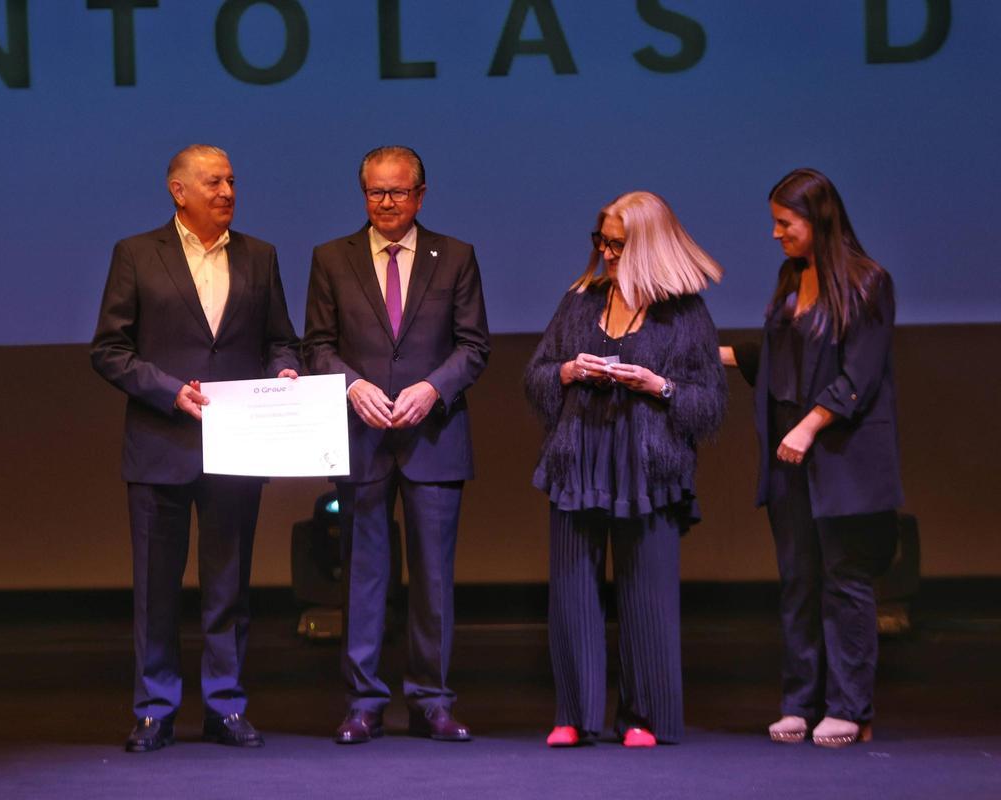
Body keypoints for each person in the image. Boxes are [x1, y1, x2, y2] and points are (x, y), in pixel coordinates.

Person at [91, 144, 301, 752]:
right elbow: (109, 349)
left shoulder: (260, 256)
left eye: (232, 180)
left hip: (238, 447)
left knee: (229, 585)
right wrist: (167, 391)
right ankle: (155, 709)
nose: (227, 192)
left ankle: (225, 705)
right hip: (161, 443)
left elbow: (281, 340)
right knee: (156, 589)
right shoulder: (136, 254)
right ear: (178, 192)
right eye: (213, 182)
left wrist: (284, 373)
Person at [303, 146, 490, 744]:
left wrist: (433, 389)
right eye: (375, 193)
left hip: (433, 437)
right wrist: (351, 386)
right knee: (364, 575)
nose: (386, 203)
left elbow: (473, 346)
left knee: (434, 578)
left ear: (421, 194)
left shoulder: (455, 256)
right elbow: (317, 346)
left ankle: (432, 700)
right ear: (363, 194)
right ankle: (364, 701)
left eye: (398, 192)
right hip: (359, 437)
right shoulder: (331, 258)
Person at [524, 191, 725, 748]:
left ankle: (644, 716)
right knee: (571, 591)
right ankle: (575, 714)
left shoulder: (682, 313)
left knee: (648, 596)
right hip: (578, 459)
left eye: (619, 243)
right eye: (602, 241)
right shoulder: (580, 301)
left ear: (649, 245)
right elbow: (535, 375)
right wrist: (566, 371)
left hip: (647, 469)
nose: (608, 253)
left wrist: (656, 385)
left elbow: (710, 402)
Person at [720, 168, 901, 748]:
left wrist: (810, 425)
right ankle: (800, 701)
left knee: (844, 580)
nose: (776, 234)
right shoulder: (790, 277)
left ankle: (849, 706)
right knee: (798, 577)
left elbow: (860, 376)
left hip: (840, 454)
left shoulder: (869, 283)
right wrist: (700, 353)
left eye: (784, 223)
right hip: (788, 455)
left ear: (817, 219)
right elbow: (778, 356)